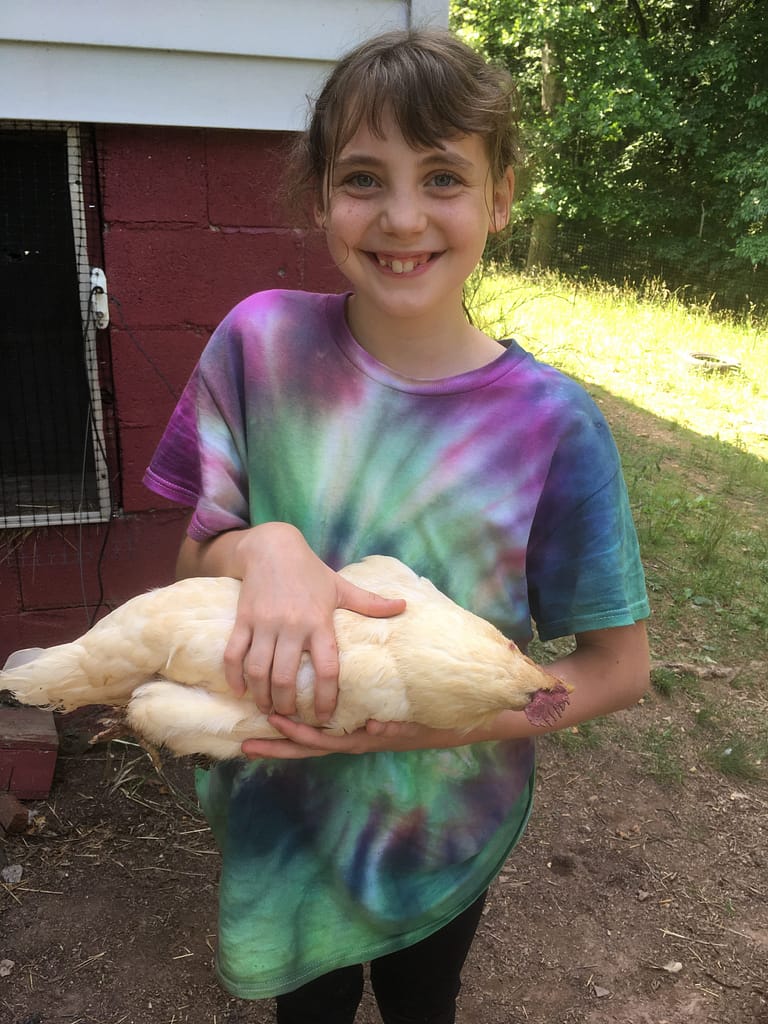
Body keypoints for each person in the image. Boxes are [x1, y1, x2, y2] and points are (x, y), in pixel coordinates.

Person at [143, 27, 651, 1024]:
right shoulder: (260, 345)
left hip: (444, 827)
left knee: (426, 1004)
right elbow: (192, 566)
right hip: (284, 815)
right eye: (364, 179)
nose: (403, 216)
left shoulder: (554, 425)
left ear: (500, 197)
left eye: (444, 178)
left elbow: (618, 668)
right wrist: (264, 545)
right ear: (321, 197)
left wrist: (446, 721)